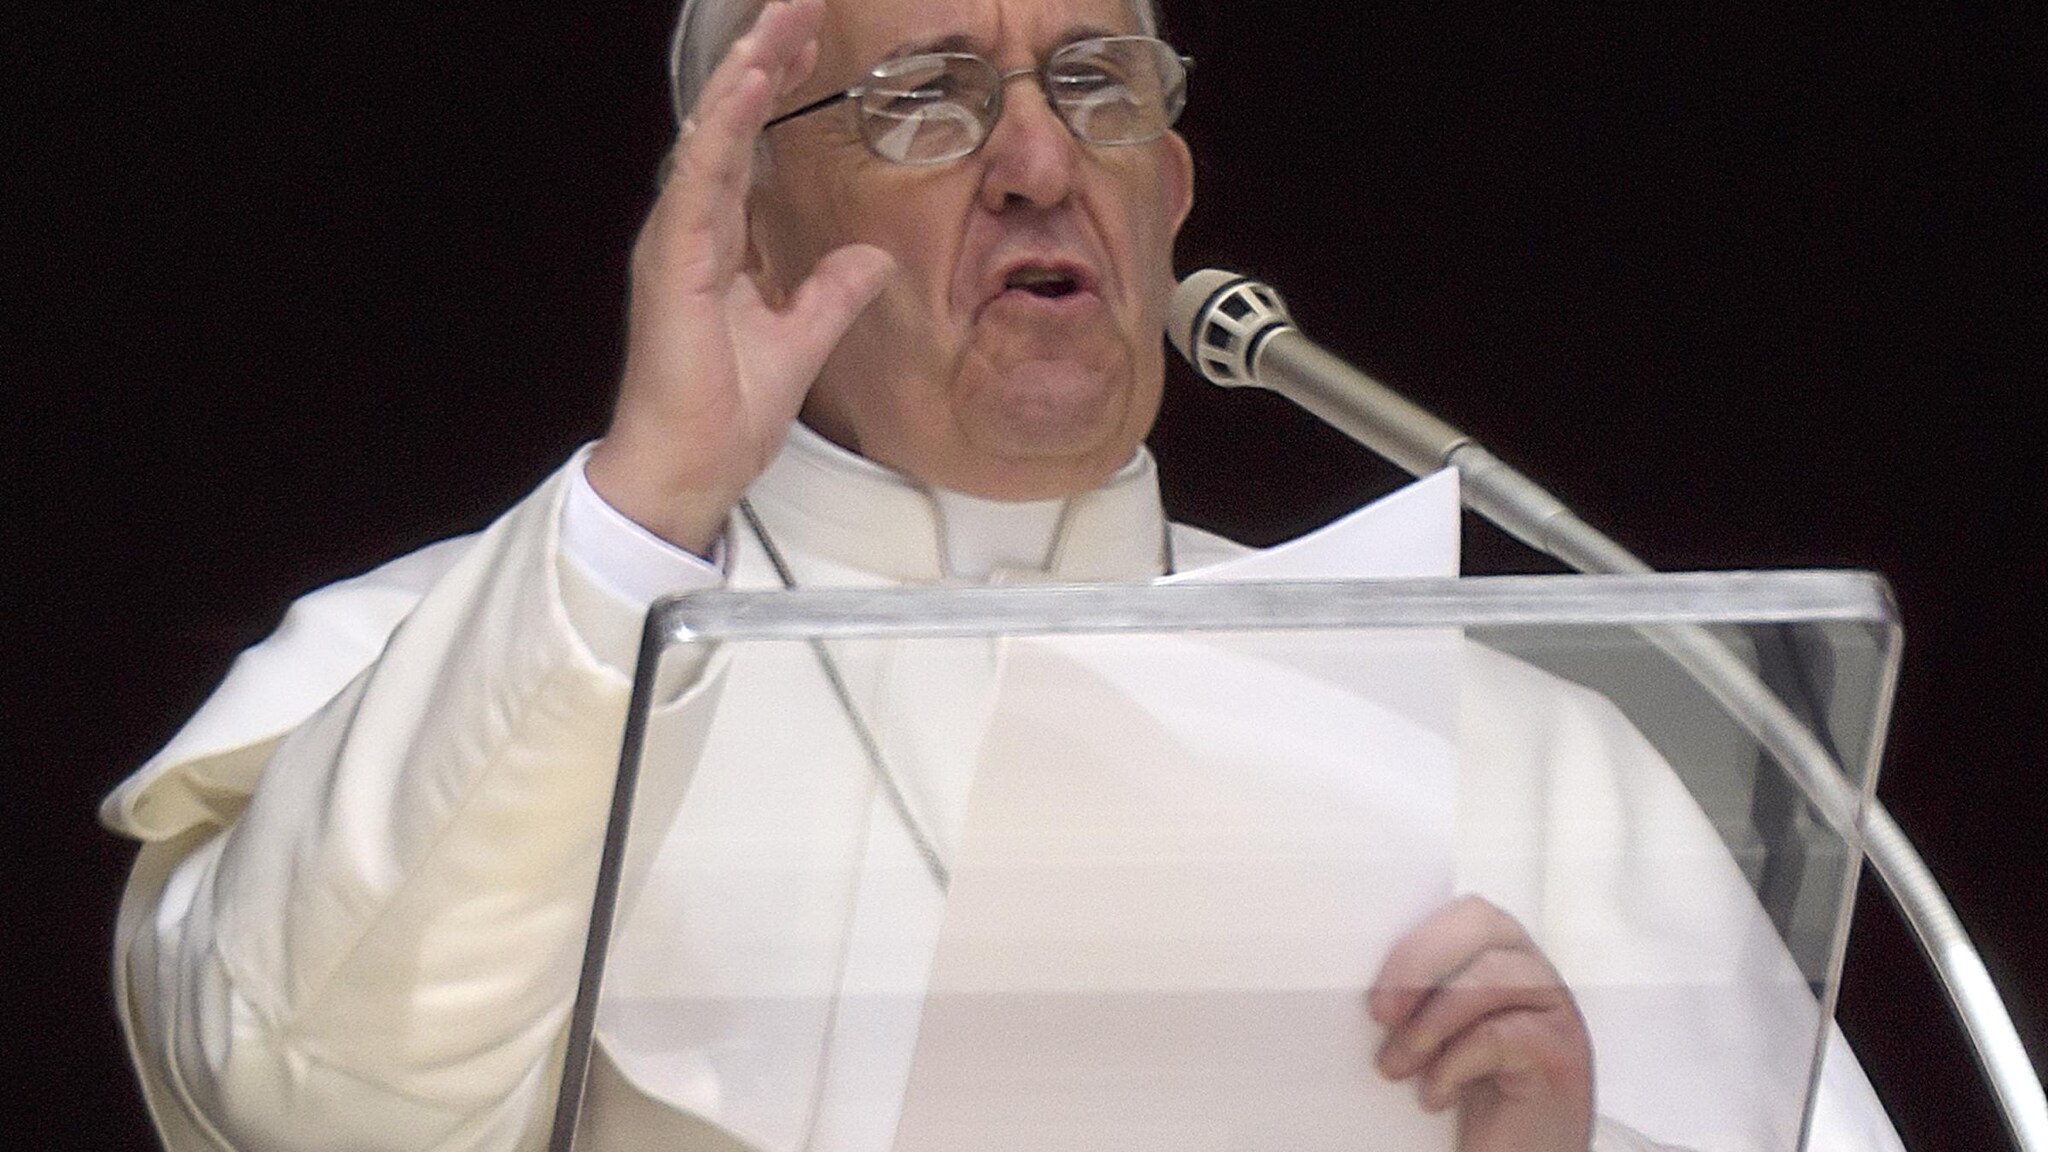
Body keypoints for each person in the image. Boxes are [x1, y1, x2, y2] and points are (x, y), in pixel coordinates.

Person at [101, 1, 1905, 1149]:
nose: (1041, 164)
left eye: (1097, 88)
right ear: (741, 213)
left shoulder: (1533, 756)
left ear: (1173, 185)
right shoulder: (474, 658)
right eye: (927, 103)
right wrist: (650, 502)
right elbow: (311, 1093)